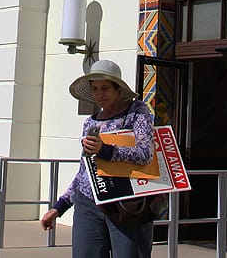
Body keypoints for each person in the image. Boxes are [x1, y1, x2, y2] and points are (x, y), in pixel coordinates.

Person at [40, 59, 155, 258]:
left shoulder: (137, 112)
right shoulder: (90, 123)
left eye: (105, 88)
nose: (99, 94)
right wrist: (60, 206)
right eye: (95, 89)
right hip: (88, 204)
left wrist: (106, 150)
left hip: (126, 203)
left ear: (118, 89)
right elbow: (84, 172)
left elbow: (145, 154)